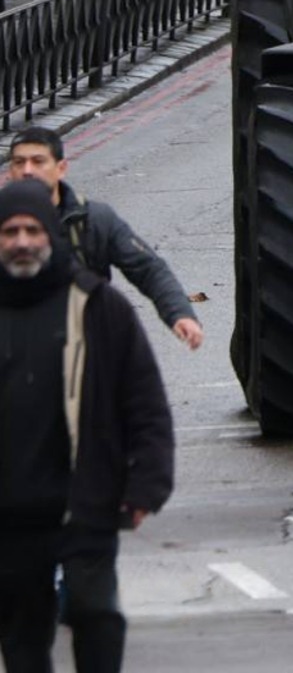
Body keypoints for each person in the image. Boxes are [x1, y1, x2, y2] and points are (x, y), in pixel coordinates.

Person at [0, 179, 174, 673]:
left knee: (96, 613)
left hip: (87, 502)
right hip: (10, 517)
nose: (21, 241)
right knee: (23, 634)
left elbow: (145, 402)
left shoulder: (98, 306)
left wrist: (147, 485)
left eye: (33, 229)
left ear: (51, 236)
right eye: (9, 231)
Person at [6, 130, 200, 351]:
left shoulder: (95, 220)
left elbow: (148, 268)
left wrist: (180, 314)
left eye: (38, 161)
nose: (28, 171)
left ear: (61, 168)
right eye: (19, 162)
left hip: (83, 349)